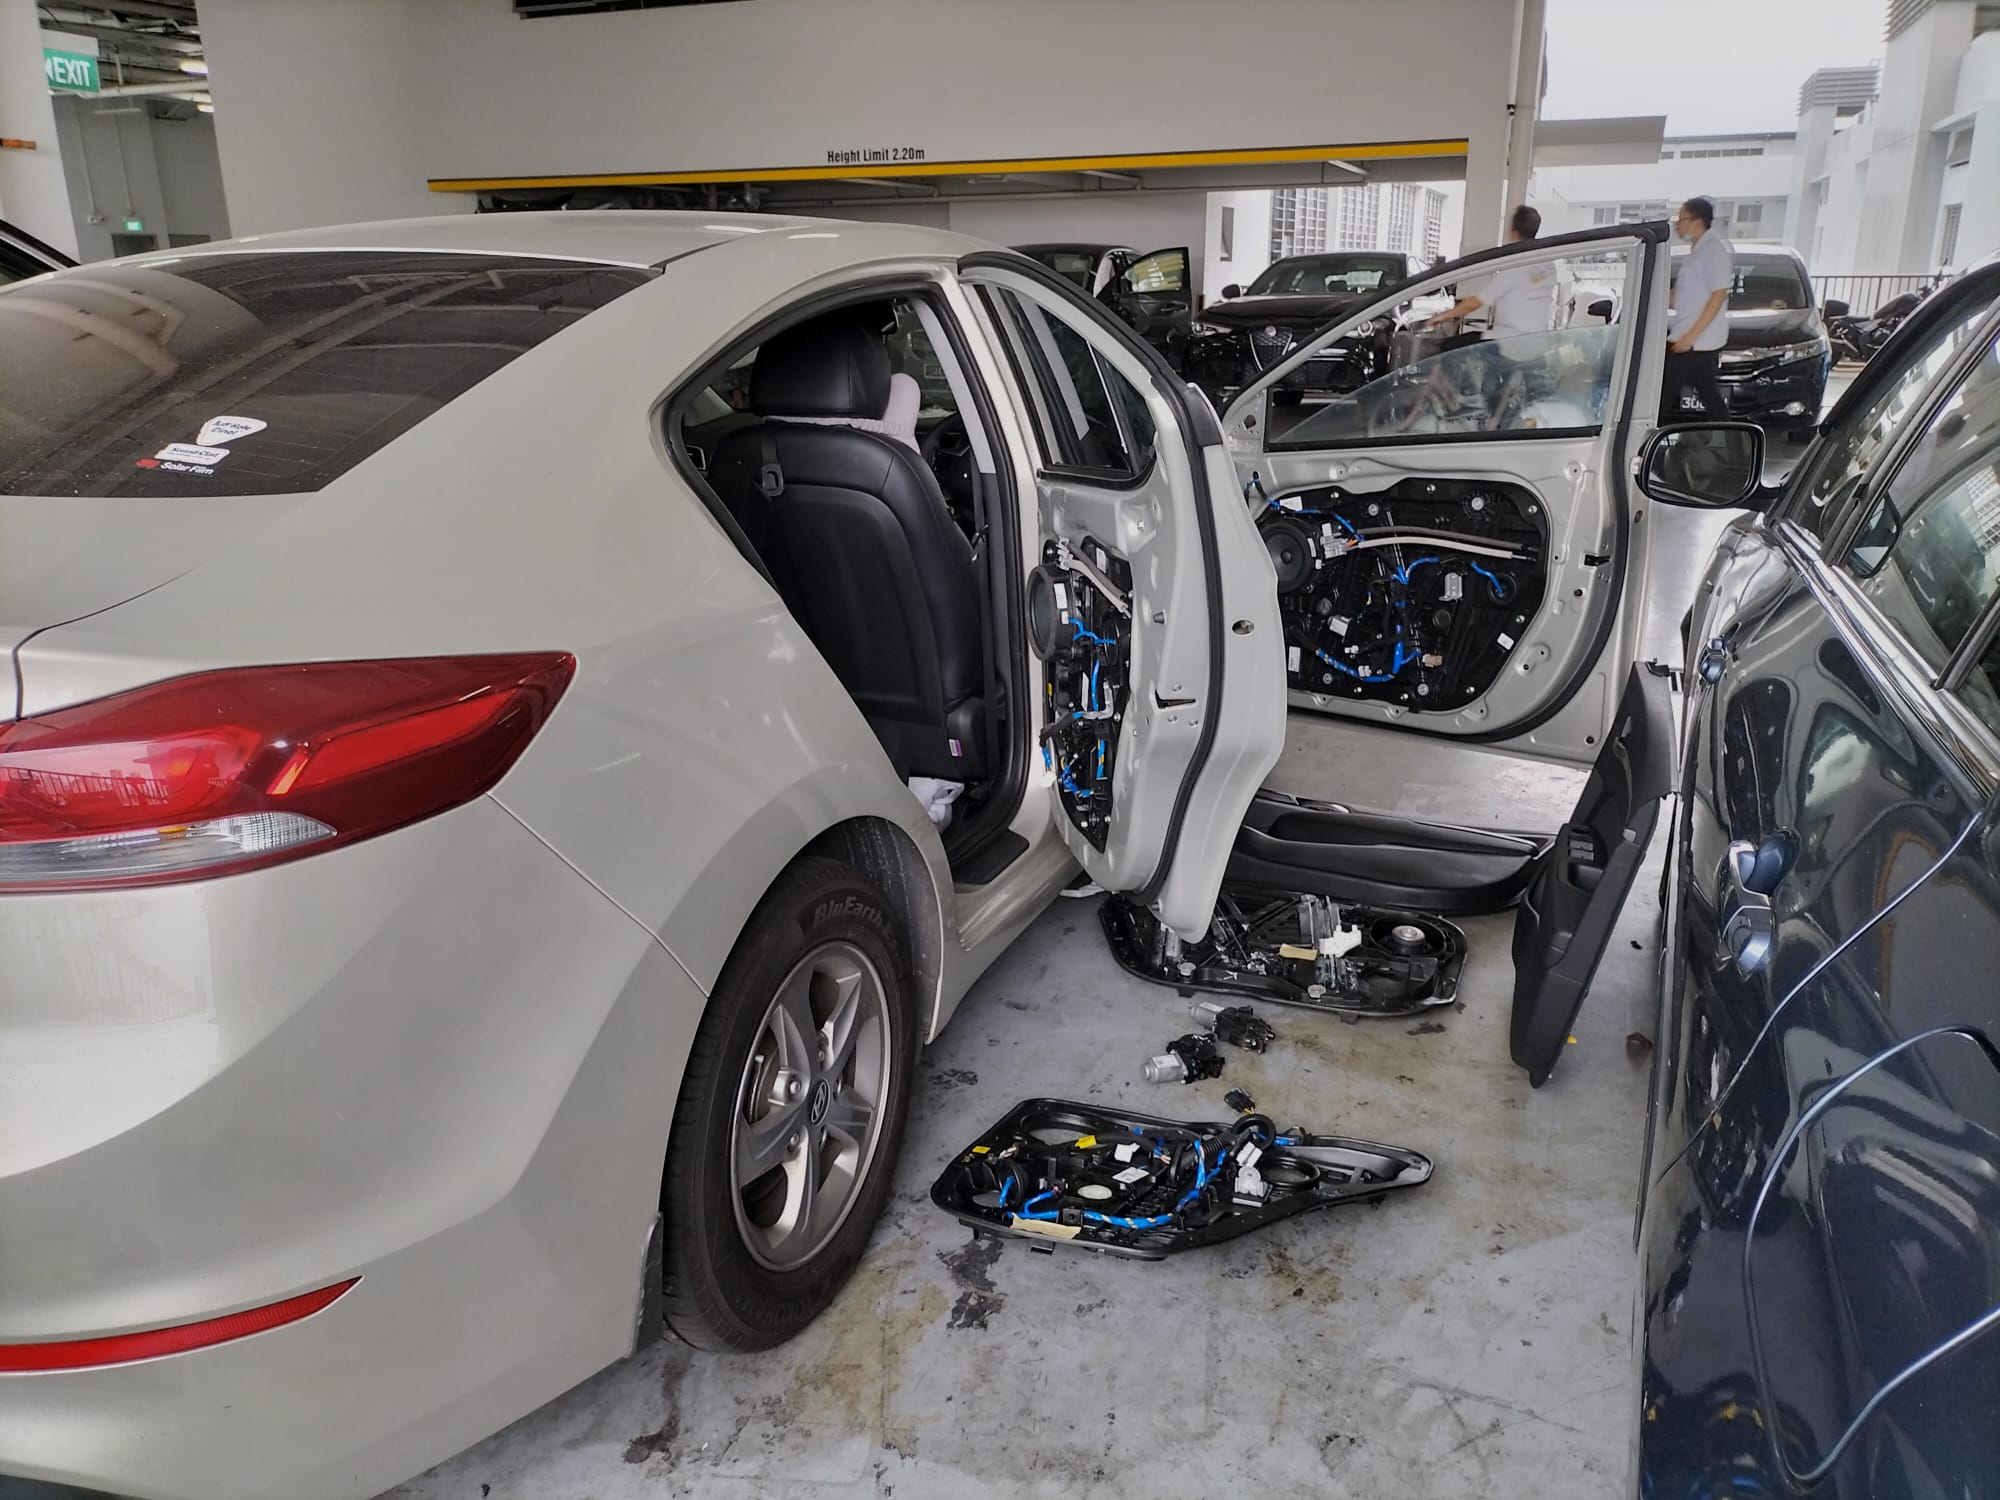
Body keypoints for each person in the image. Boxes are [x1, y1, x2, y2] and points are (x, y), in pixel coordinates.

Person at [1426, 205, 1556, 342]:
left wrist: (1443, 316)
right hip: (1535, 340)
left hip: (1507, 341)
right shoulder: (1548, 265)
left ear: (1513, 231)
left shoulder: (1516, 265)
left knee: (1448, 345)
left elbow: (1477, 302)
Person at [1661, 197, 1732, 423]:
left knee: (1661, 395)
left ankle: (1643, 439)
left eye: (1681, 219)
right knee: (1710, 398)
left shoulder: (1713, 251)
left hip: (1696, 342)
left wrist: (1691, 336)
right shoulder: (1697, 251)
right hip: (1690, 339)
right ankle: (1729, 437)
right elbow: (1683, 295)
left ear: (1696, 222)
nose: (1677, 225)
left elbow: (1718, 295)